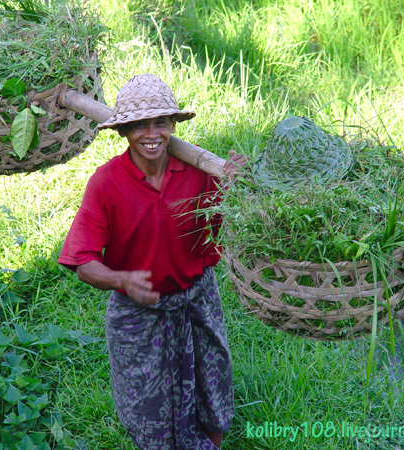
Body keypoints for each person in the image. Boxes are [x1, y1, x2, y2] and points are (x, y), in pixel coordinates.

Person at [57, 73, 247, 450]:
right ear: (123, 130)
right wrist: (123, 280)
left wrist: (240, 185)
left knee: (211, 387)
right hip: (138, 311)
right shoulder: (107, 183)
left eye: (160, 122)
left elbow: (232, 227)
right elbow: (82, 261)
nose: (151, 133)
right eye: (139, 125)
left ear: (174, 125)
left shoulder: (198, 172)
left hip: (197, 298)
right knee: (147, 405)